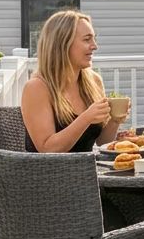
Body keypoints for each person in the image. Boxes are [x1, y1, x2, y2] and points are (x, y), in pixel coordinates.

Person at [21, 10, 128, 153]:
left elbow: (102, 142)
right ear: (63, 44)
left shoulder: (94, 81)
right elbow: (47, 149)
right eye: (87, 39)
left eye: (94, 39)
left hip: (88, 166)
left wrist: (115, 120)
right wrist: (86, 118)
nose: (94, 46)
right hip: (47, 168)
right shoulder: (37, 87)